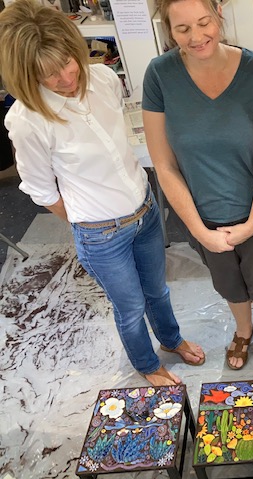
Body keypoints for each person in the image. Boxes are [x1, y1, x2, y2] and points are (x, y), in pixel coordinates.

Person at [0, 0, 204, 386]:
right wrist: (87, 220)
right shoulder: (28, 121)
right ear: (27, 75)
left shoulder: (104, 79)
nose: (66, 78)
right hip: (100, 232)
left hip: (144, 211)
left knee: (157, 291)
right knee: (130, 307)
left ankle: (171, 339)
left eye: (68, 63)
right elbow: (42, 190)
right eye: (49, 74)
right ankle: (147, 365)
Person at [142, 0, 253, 370]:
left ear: (219, 13)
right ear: (168, 30)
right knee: (228, 282)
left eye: (204, 22)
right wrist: (199, 231)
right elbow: (164, 166)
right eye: (182, 29)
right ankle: (244, 330)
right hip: (202, 214)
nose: (196, 36)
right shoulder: (159, 75)